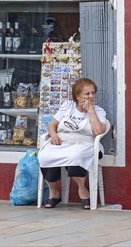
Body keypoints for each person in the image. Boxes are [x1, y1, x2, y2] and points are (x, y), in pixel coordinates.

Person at [38, 78, 107, 209]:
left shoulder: (99, 111)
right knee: (45, 155)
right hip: (63, 140)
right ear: (77, 96)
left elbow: (98, 132)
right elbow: (52, 124)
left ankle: (82, 190)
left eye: (93, 93)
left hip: (85, 143)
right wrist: (53, 136)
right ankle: (54, 192)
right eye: (87, 94)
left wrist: (91, 111)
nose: (91, 96)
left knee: (76, 156)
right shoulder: (67, 106)